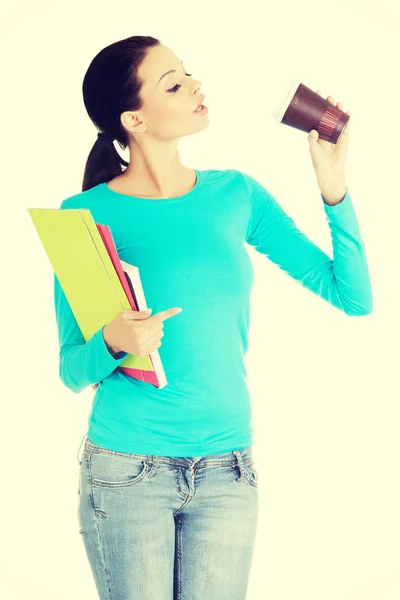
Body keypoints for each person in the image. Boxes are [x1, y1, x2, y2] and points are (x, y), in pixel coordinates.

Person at [54, 35, 373, 599]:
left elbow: (352, 296)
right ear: (135, 119)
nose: (196, 86)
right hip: (127, 473)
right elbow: (73, 370)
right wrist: (111, 339)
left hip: (229, 472)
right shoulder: (85, 215)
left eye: (188, 74)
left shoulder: (236, 194)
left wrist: (333, 184)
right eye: (173, 85)